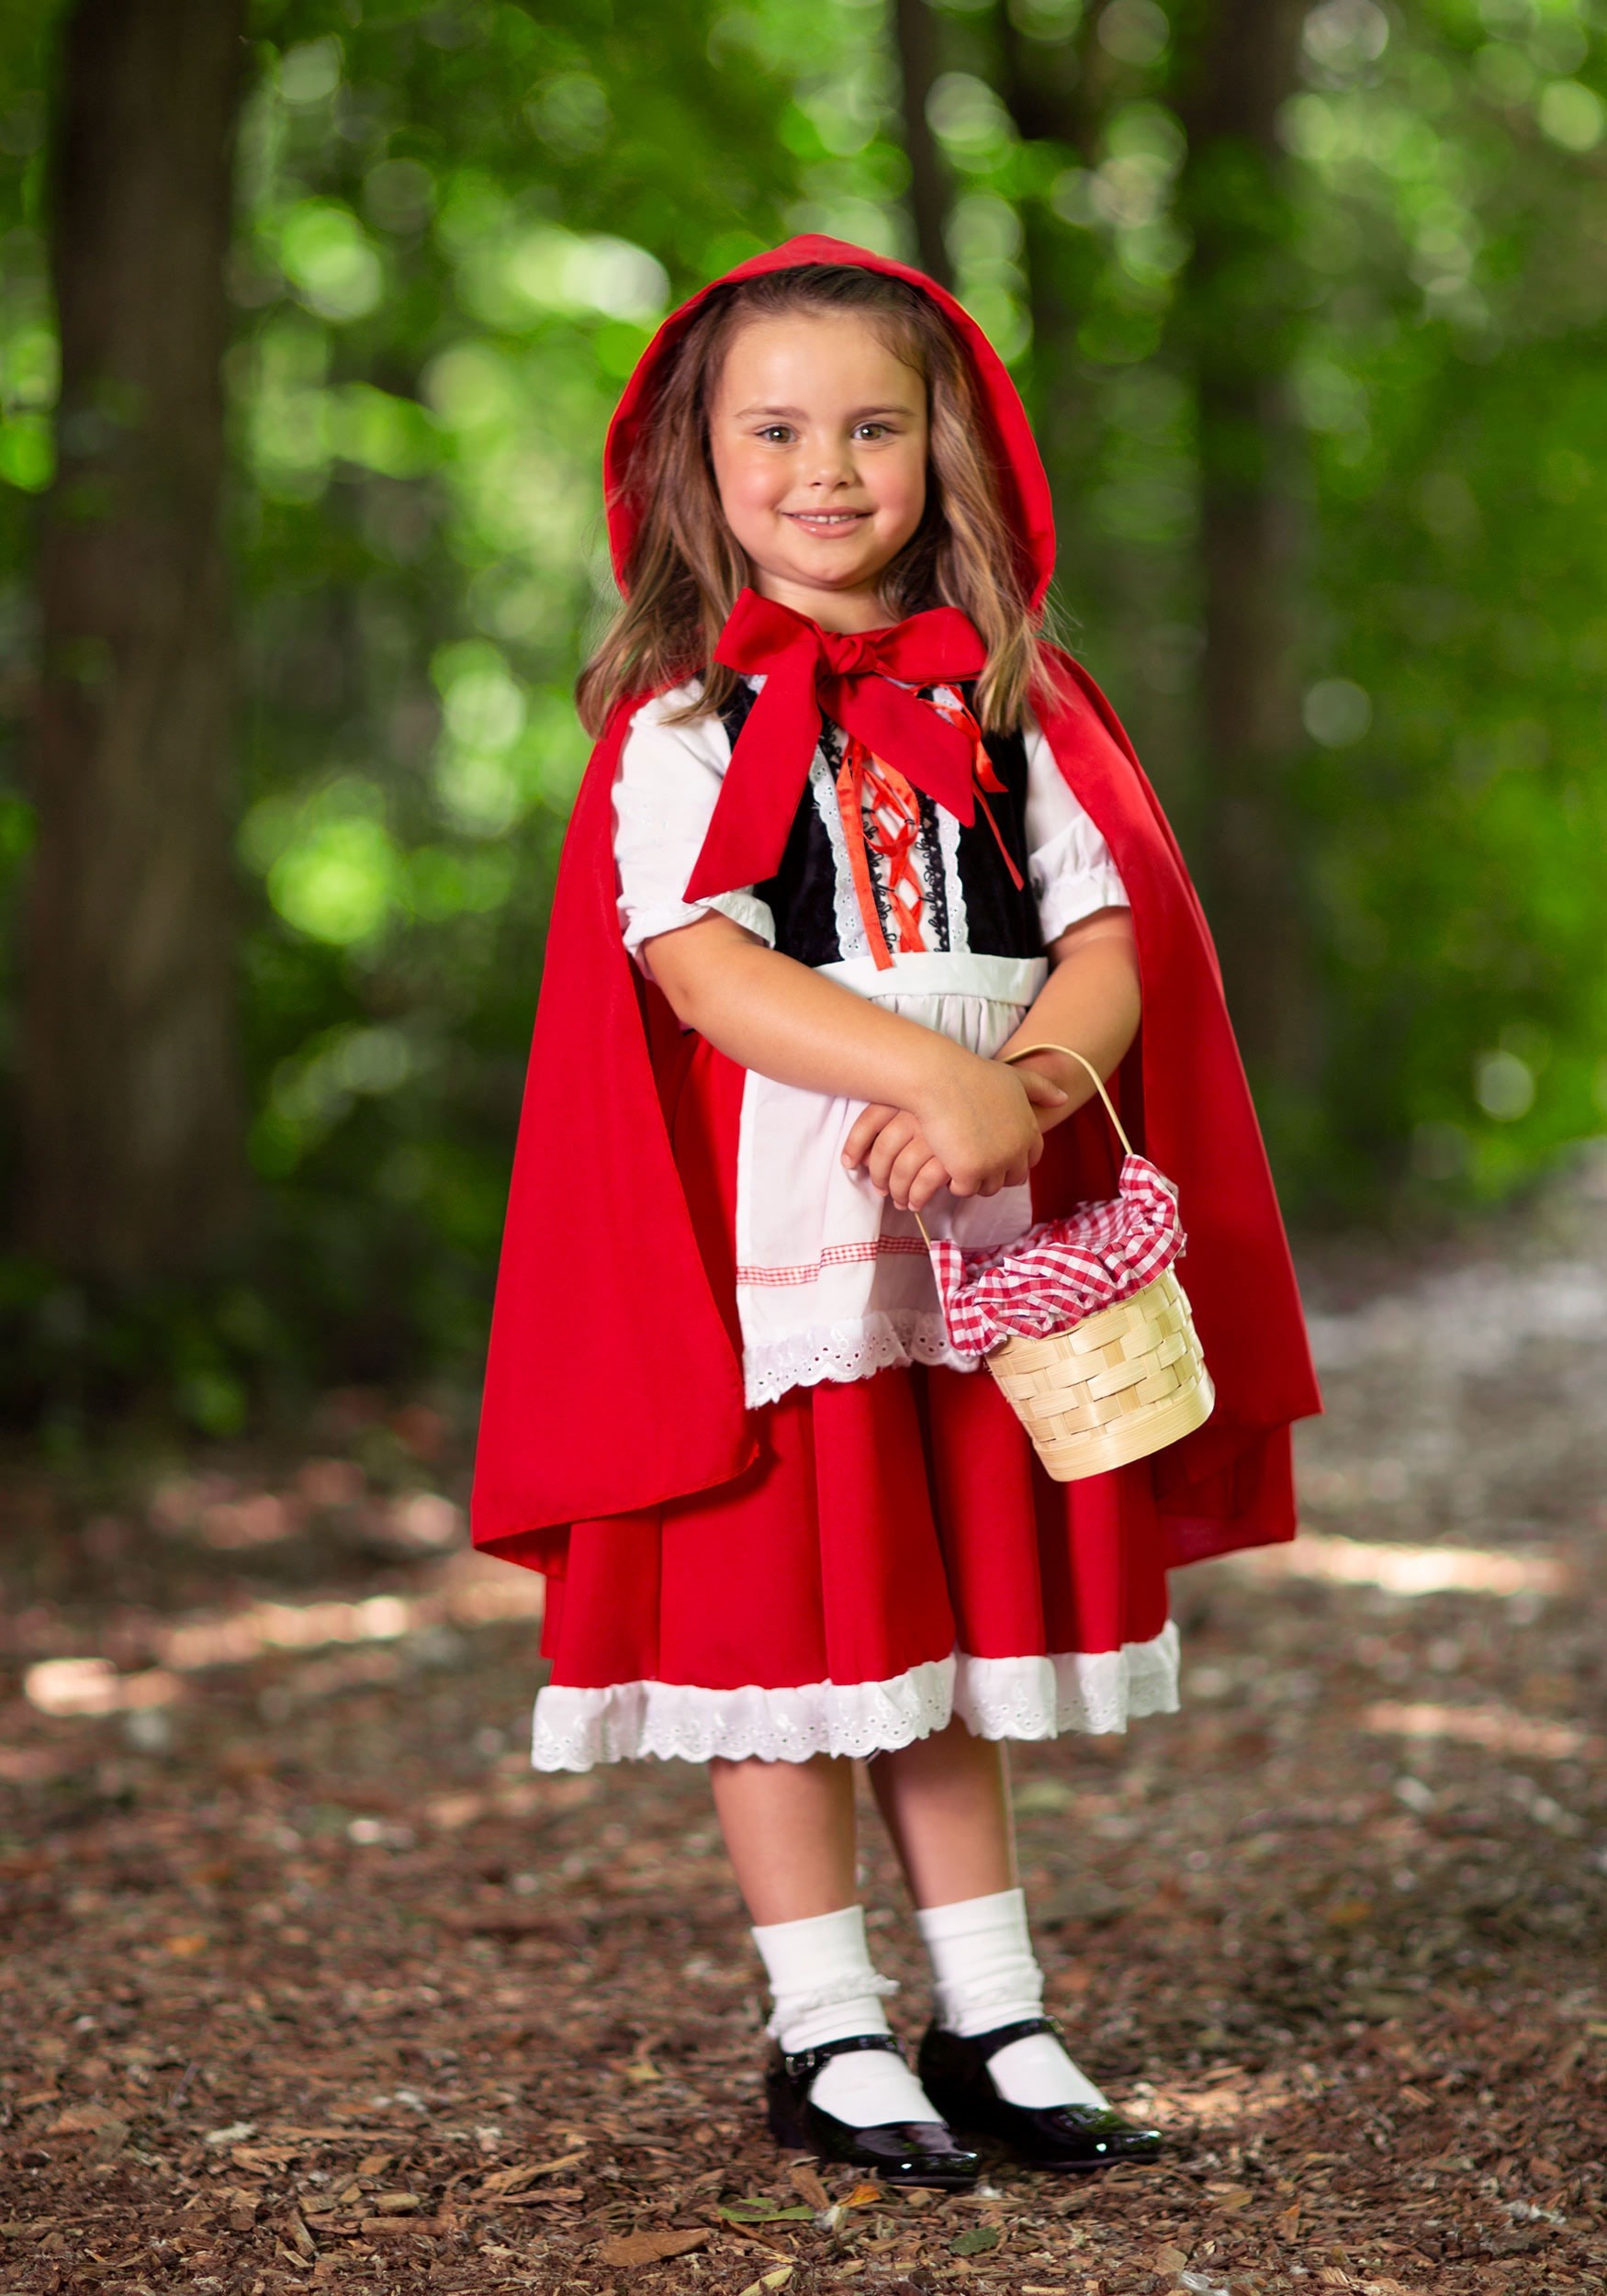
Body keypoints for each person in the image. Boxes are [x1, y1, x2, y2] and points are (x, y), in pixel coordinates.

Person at [471, 239, 1320, 2186]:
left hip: (975, 1247)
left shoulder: (1011, 695)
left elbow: (1109, 938)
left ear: (949, 449)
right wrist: (921, 1072)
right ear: (701, 461)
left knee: (928, 1626)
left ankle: (993, 2003)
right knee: (785, 1634)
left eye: (872, 424)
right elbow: (696, 964)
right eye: (775, 430)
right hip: (784, 1259)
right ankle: (822, 2023)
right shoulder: (685, 713)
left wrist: (1009, 1090)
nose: (825, 468)